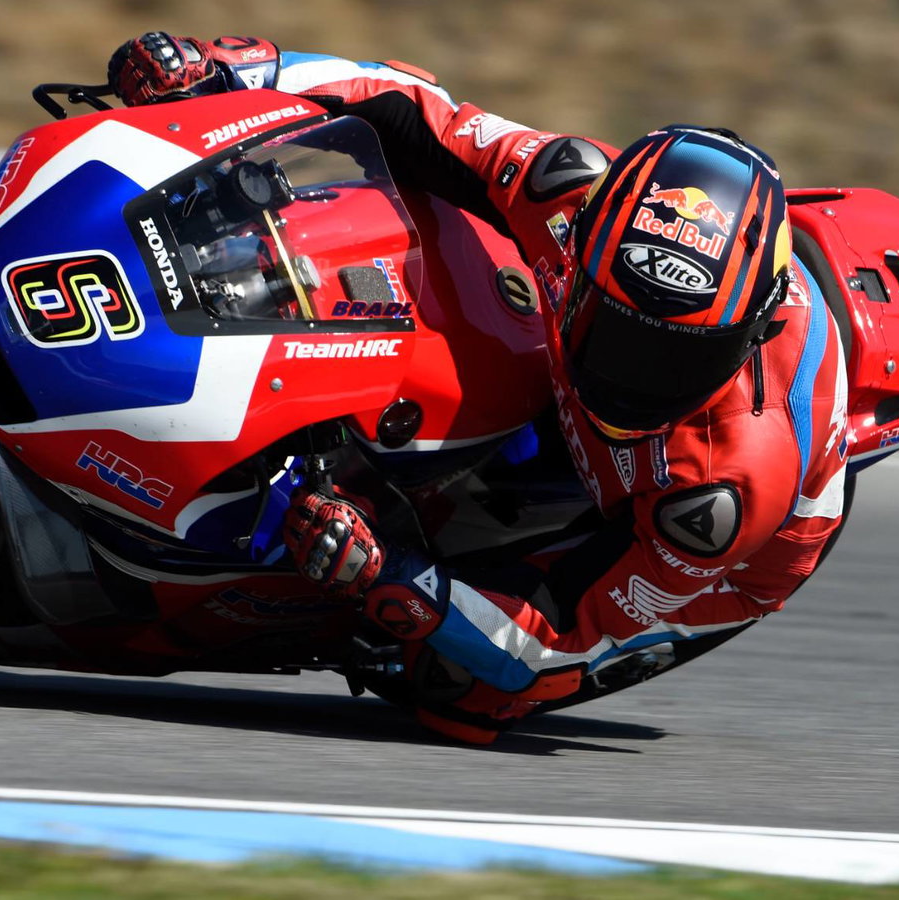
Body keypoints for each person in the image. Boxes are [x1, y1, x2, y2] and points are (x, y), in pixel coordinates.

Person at [107, 34, 851, 744]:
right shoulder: (568, 193)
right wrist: (235, 66)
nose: (630, 376)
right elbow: (412, 107)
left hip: (706, 545)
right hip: (557, 365)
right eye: (616, 330)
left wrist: (393, 576)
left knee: (464, 690)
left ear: (751, 333)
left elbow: (558, 641)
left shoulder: (723, 495)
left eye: (674, 357)